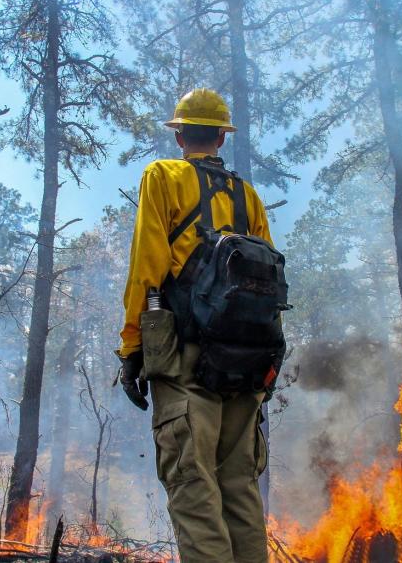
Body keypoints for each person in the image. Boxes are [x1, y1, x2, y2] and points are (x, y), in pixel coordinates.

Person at [117, 88, 276, 562]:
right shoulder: (249, 197)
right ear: (222, 139)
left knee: (193, 487)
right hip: (247, 364)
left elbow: (148, 262)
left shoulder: (162, 175)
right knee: (240, 490)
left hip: (186, 355)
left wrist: (132, 346)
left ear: (181, 134)